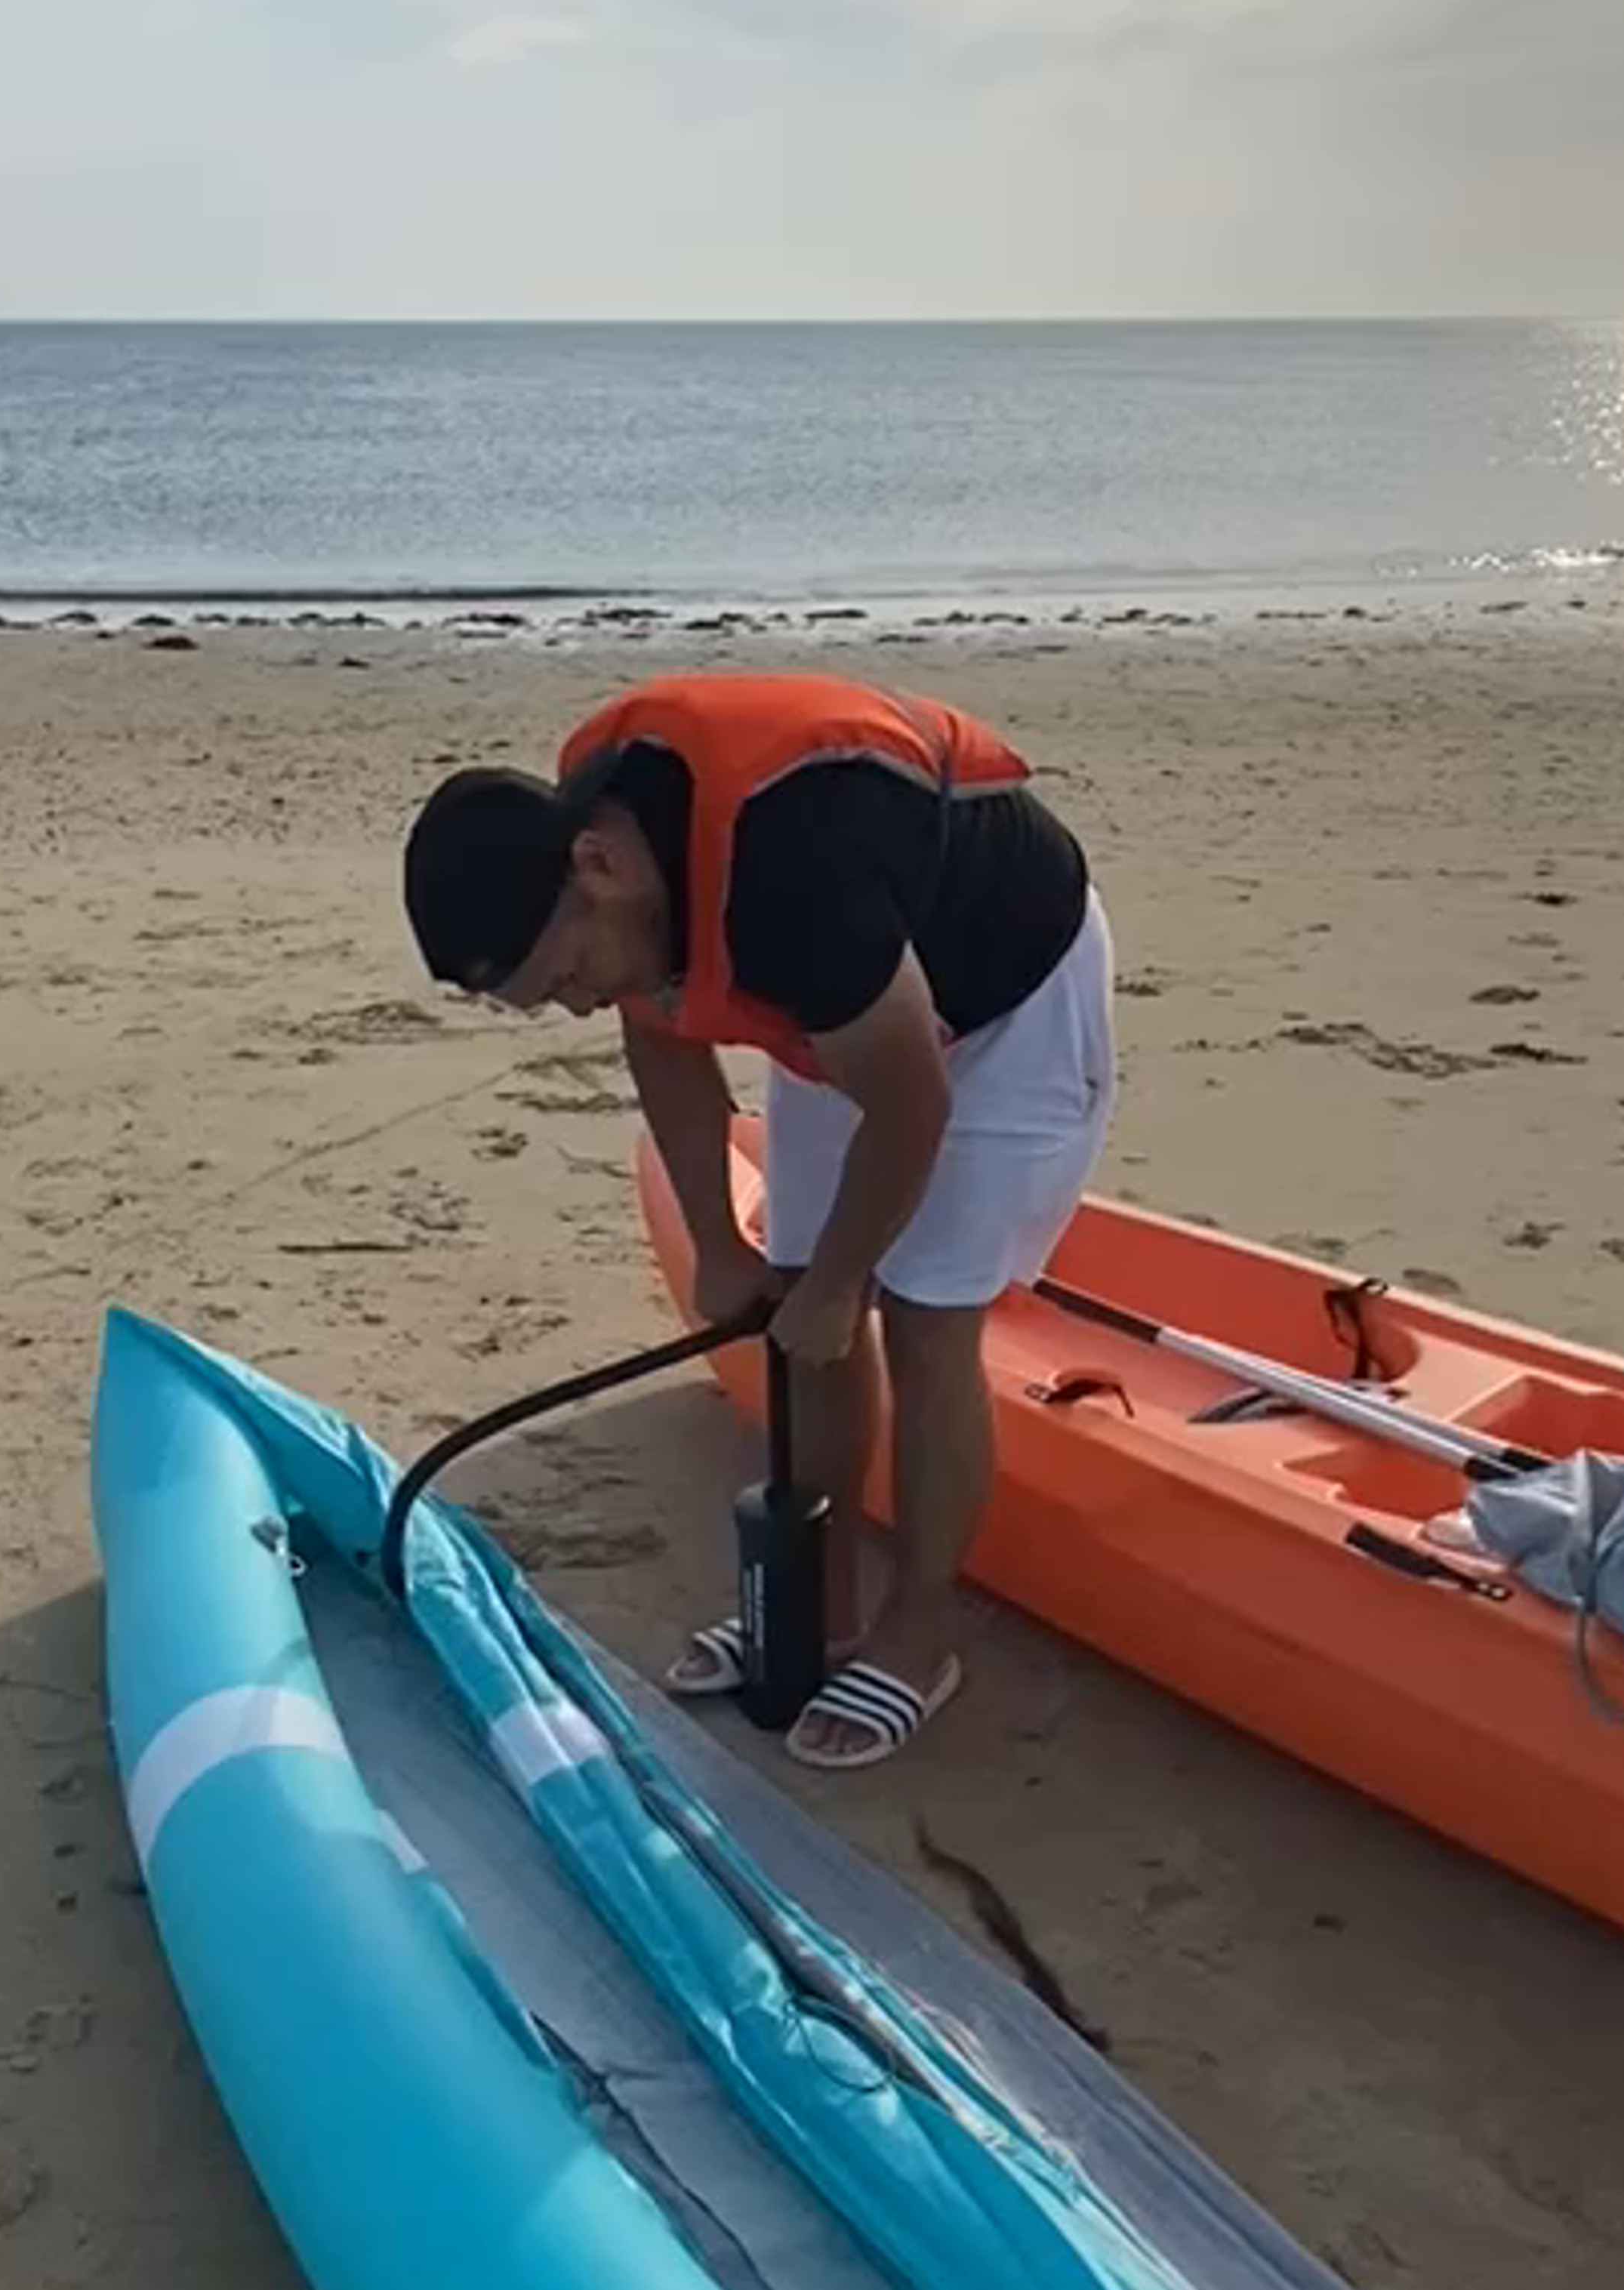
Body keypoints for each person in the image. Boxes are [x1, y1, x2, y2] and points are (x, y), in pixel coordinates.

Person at [401, 667, 1115, 1769]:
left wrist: (842, 1282)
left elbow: (910, 1098)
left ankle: (919, 1635)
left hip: (1008, 991)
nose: (580, 1002)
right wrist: (727, 1250)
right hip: (858, 1001)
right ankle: (811, 1609)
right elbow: (661, 1029)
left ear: (597, 869)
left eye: (567, 975)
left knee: (925, 1319)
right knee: (796, 1306)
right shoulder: (609, 858)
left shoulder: (796, 880)